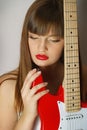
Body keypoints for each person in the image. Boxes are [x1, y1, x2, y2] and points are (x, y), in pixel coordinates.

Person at [0, 0, 87, 130]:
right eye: (34, 37)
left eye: (53, 40)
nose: (41, 48)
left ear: (69, 41)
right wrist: (28, 114)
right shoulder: (9, 87)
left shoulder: (84, 75)